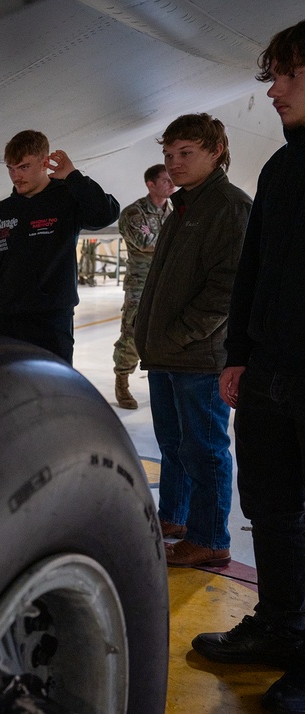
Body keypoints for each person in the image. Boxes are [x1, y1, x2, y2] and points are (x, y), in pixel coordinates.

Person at [190, 21, 305, 714]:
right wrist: (236, 356)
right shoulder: (282, 168)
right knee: (271, 510)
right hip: (268, 374)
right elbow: (253, 270)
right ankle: (282, 627)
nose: (273, 90)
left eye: (288, 73)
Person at [133, 113, 252, 567]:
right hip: (166, 352)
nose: (174, 164)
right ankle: (176, 518)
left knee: (204, 450)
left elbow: (228, 287)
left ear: (215, 152)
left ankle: (210, 538)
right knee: (174, 444)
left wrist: (181, 334)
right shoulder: (184, 205)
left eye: (186, 154)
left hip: (197, 355)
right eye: (168, 155)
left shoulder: (228, 207)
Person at [0, 130, 120, 364]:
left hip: (53, 318)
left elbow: (105, 214)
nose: (15, 176)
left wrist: (73, 177)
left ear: (44, 163)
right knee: (17, 388)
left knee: (55, 389)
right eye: (10, 168)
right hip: (11, 319)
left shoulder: (67, 199)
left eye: (23, 167)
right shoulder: (2, 212)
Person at [112, 164, 175, 409]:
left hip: (166, 284)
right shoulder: (133, 213)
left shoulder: (172, 212)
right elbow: (145, 242)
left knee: (165, 334)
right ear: (151, 184)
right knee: (133, 333)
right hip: (141, 284)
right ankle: (122, 380)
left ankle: (163, 382)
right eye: (166, 181)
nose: (172, 184)